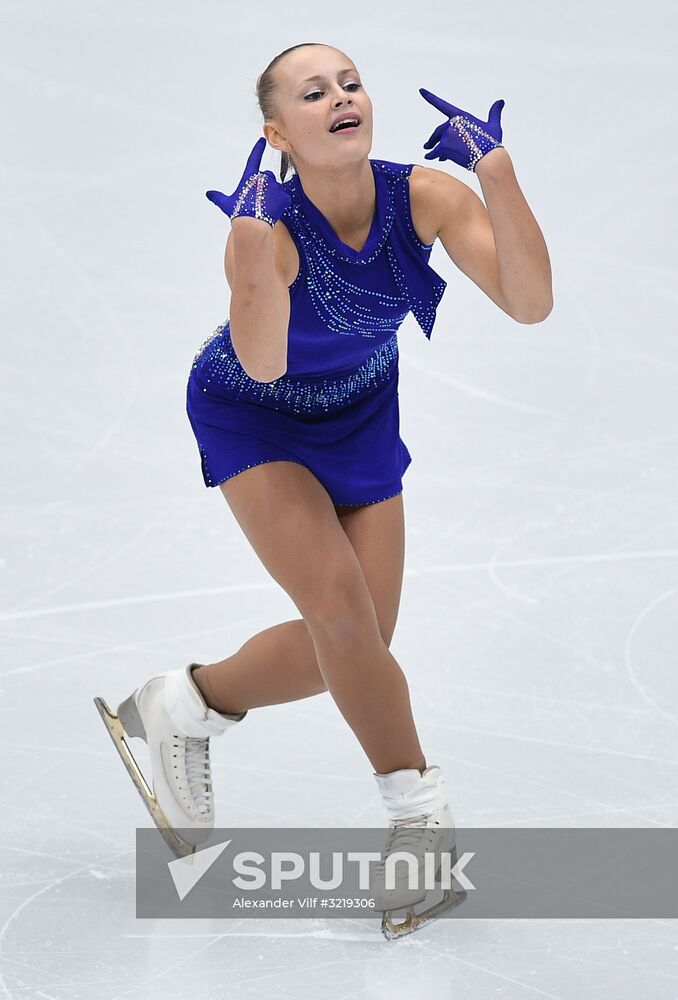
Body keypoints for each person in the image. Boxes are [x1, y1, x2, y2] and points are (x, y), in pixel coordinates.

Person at [94, 42, 553, 938]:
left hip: (360, 412)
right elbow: (262, 364)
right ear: (277, 131)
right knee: (342, 614)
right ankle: (420, 819)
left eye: (349, 82)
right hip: (251, 414)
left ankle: (185, 704)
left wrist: (495, 170)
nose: (341, 97)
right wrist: (247, 248)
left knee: (362, 643)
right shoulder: (269, 227)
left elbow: (530, 302)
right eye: (314, 92)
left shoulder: (423, 196)